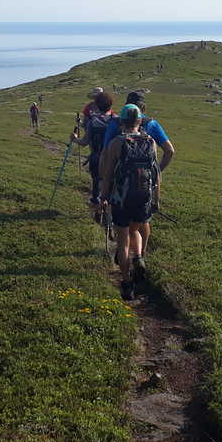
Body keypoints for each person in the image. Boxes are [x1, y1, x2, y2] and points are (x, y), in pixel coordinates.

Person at [100, 104, 160, 299]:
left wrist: (104, 197)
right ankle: (140, 259)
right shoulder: (150, 141)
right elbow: (155, 174)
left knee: (123, 241)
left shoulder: (116, 143)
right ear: (140, 121)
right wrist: (155, 200)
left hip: (121, 200)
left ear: (121, 122)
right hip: (143, 197)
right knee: (136, 230)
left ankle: (127, 284)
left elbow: (108, 174)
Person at [101, 91, 173, 252]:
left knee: (123, 224)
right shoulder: (152, 124)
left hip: (119, 181)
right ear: (144, 108)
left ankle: (123, 254)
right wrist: (156, 173)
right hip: (145, 182)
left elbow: (106, 153)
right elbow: (170, 151)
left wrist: (104, 179)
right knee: (143, 221)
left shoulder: (115, 124)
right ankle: (140, 255)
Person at [74, 91, 113, 217]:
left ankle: (97, 207)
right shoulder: (117, 121)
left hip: (96, 157)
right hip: (113, 159)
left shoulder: (93, 122)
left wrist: (74, 138)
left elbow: (84, 142)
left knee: (96, 181)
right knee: (111, 182)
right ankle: (109, 209)